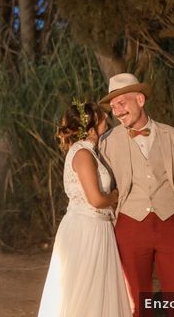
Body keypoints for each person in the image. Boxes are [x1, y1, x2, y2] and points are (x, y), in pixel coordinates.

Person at [98, 73, 174, 317]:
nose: (117, 111)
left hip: (172, 224)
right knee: (138, 305)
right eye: (113, 107)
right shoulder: (106, 141)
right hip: (130, 226)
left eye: (122, 103)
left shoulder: (172, 134)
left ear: (140, 100)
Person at [37, 101, 130, 317]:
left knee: (97, 293)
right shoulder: (83, 155)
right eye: (100, 117)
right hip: (87, 230)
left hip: (96, 228)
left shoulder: (90, 152)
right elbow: (96, 199)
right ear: (90, 129)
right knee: (87, 292)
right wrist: (116, 195)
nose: (106, 118)